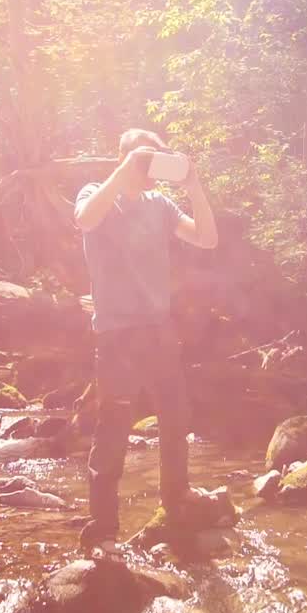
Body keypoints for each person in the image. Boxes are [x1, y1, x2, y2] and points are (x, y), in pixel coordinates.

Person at [73, 128, 218, 555]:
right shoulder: (97, 193)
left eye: (157, 158)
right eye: (145, 158)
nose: (151, 167)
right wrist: (124, 169)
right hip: (117, 335)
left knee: (176, 418)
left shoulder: (161, 205)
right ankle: (102, 529)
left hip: (159, 331)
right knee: (113, 427)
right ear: (122, 157)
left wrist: (194, 186)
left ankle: (176, 497)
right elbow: (84, 220)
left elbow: (207, 238)